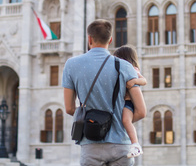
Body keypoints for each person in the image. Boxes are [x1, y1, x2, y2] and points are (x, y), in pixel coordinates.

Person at [63, 19, 147, 166]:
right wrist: (119, 122)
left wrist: (93, 119)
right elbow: (141, 111)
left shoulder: (71, 65)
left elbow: (69, 108)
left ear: (89, 38)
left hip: (91, 145)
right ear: (111, 39)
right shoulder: (125, 66)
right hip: (121, 147)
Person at [113, 45, 146, 158]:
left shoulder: (133, 69)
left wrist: (134, 81)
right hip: (122, 103)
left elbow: (144, 80)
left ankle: (135, 145)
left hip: (128, 103)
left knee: (126, 120)